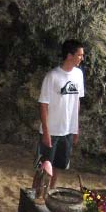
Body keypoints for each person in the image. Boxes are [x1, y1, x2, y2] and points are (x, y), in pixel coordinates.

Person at [37, 39, 85, 187]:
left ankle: (50, 192)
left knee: (58, 166)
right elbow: (43, 105)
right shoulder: (52, 76)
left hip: (67, 130)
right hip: (52, 130)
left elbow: (77, 101)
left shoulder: (78, 74)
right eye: (79, 55)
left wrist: (75, 128)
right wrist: (46, 132)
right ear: (69, 55)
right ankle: (34, 195)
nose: (82, 58)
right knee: (43, 168)